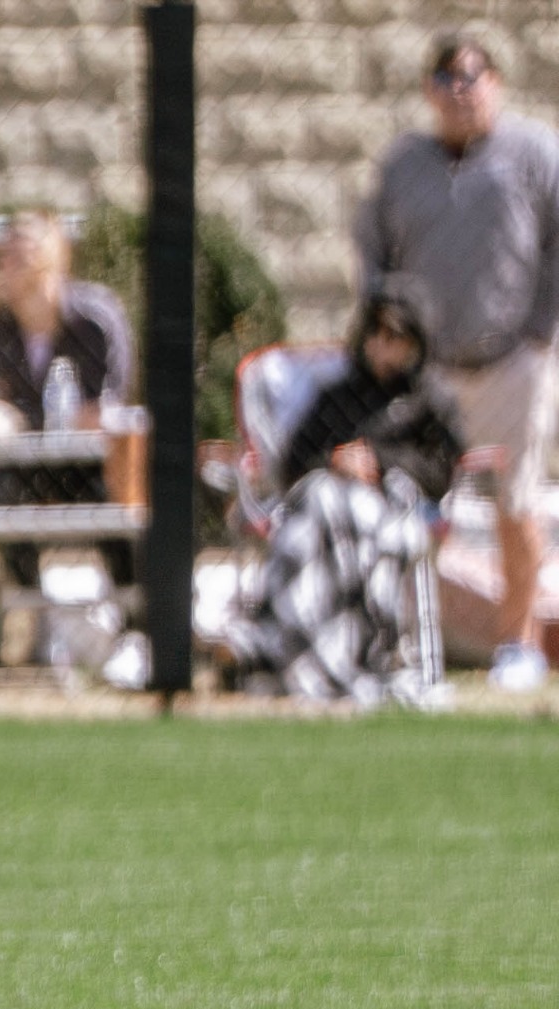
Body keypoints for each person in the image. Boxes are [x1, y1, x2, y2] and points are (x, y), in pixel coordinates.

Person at [354, 32, 559, 692]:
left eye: (472, 76)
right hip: (430, 372)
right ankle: (408, 640)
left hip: (511, 361)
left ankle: (517, 643)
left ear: (496, 81)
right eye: (446, 78)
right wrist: (391, 340)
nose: (461, 90)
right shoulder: (404, 164)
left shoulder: (533, 154)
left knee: (515, 501)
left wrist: (539, 329)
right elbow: (375, 253)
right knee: (417, 501)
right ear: (428, 91)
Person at [225, 289, 465, 705]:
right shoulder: (336, 395)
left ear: (415, 343)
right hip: (321, 509)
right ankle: (302, 649)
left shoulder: (427, 402)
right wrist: (337, 461)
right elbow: (293, 463)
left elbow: (440, 472)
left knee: (339, 511)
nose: (382, 345)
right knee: (319, 498)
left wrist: (379, 462)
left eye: (396, 336)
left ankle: (282, 647)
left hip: (391, 508)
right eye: (375, 332)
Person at [0, 211, 136, 590]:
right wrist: (52, 417)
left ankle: (133, 622)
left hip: (88, 461)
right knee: (3, 496)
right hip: (19, 461)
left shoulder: (94, 319)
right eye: (3, 256)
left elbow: (107, 405)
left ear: (51, 258)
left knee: (117, 495)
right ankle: (37, 608)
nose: (6, 267)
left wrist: (33, 415)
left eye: (20, 255)